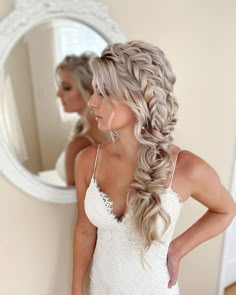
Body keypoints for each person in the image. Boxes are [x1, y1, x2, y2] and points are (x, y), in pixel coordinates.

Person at [71, 41, 236, 295]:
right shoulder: (87, 161)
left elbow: (226, 210)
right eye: (93, 91)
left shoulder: (186, 168)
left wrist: (178, 248)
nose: (91, 102)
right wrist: (76, 289)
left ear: (139, 97)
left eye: (103, 92)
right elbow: (84, 230)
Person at [55, 53, 111, 186]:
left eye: (66, 88)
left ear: (90, 91)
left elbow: (75, 200)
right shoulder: (109, 129)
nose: (58, 94)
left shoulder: (80, 144)